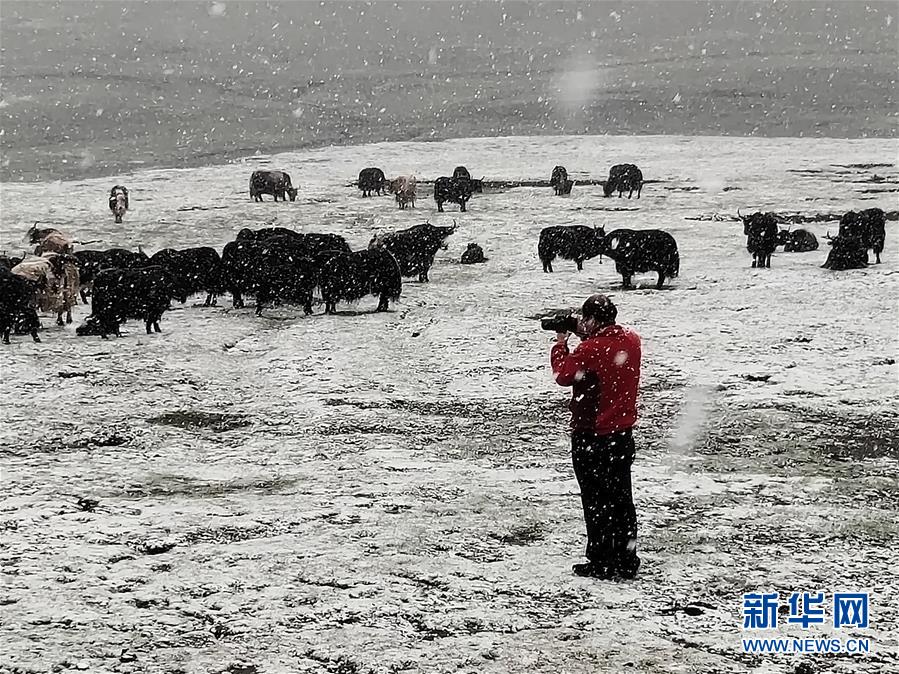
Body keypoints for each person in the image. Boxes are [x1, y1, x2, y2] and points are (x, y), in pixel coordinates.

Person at [550, 294, 642, 579]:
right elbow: (604, 358)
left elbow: (564, 375)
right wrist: (585, 335)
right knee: (621, 498)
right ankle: (626, 557)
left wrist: (560, 343)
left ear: (592, 320)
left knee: (595, 500)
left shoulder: (590, 349)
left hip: (593, 433)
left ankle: (601, 558)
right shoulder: (631, 340)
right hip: (622, 434)